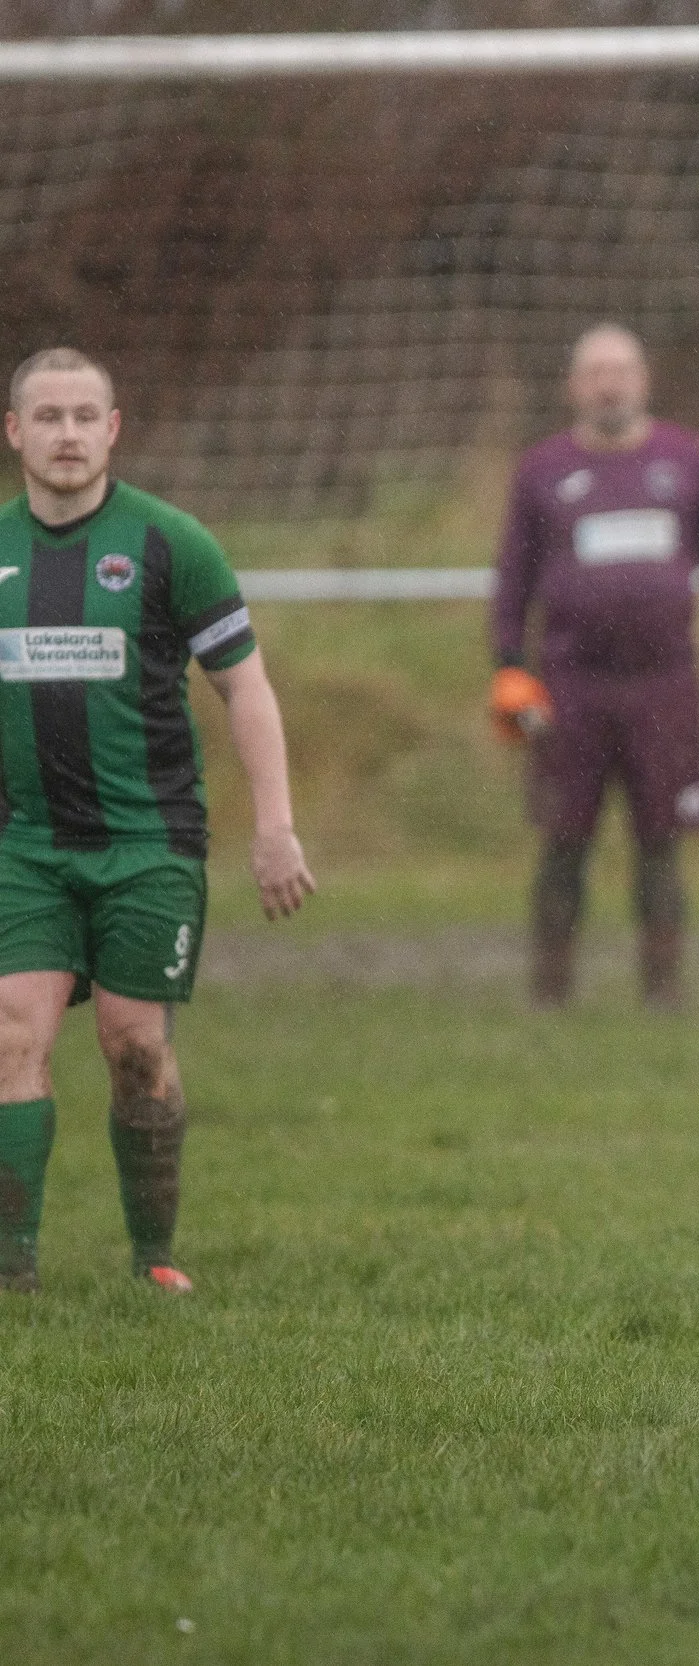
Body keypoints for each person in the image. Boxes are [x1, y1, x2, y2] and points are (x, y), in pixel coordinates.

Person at [0, 347, 315, 1294]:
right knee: (15, 1036)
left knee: (136, 1047)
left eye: (83, 415)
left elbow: (245, 687)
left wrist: (275, 827)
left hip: (150, 846)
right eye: (46, 416)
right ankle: (12, 1274)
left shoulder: (174, 545)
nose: (66, 433)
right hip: (26, 847)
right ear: (14, 431)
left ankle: (153, 1259)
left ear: (113, 428)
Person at [489, 324, 699, 1011]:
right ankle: (549, 994)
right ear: (573, 386)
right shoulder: (543, 470)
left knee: (662, 841)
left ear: (643, 379)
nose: (609, 383)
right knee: (563, 839)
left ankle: (662, 991)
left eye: (621, 370)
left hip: (665, 683)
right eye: (595, 372)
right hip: (571, 685)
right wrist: (507, 665)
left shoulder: (689, 461)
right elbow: (513, 577)